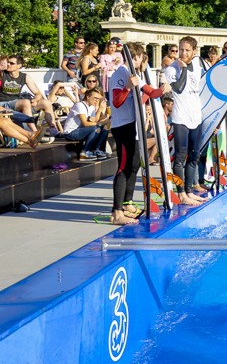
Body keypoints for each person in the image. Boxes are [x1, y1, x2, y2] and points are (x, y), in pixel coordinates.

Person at [108, 42, 168, 225]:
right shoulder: (120, 74)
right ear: (136, 58)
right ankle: (116, 212)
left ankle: (127, 203)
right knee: (123, 167)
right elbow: (116, 102)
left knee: (134, 165)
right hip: (122, 125)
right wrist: (127, 87)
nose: (144, 62)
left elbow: (151, 93)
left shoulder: (133, 75)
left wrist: (163, 88)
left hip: (134, 126)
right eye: (143, 59)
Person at [163, 36, 209, 205]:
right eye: (181, 49)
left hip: (196, 115)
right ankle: (181, 193)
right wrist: (182, 69)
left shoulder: (197, 65)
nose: (182, 53)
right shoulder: (171, 69)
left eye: (187, 50)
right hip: (180, 116)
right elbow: (179, 89)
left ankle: (189, 191)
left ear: (194, 52)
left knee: (194, 155)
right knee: (180, 157)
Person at [63, 88, 111, 162]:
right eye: (95, 98)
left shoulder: (91, 107)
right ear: (88, 97)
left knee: (105, 127)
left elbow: (95, 120)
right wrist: (98, 123)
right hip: (71, 132)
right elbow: (85, 123)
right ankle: (85, 152)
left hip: (81, 130)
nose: (97, 100)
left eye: (98, 99)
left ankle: (97, 149)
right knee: (96, 127)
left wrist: (99, 110)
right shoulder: (80, 105)